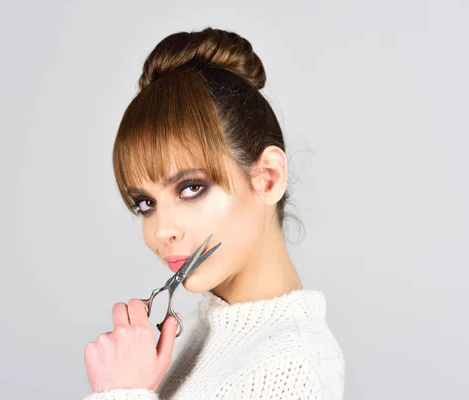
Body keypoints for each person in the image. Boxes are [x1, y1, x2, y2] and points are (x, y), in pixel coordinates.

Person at [83, 27, 345, 399]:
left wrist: (121, 393)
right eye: (145, 203)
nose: (161, 231)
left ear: (268, 179)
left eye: (191, 188)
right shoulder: (195, 332)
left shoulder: (291, 368)